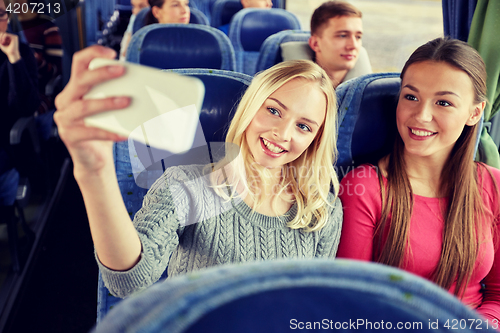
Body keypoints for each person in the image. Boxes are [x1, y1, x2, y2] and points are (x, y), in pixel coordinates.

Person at [53, 45, 343, 298]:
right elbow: (129, 281)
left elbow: (309, 304)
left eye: (303, 126)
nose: (282, 133)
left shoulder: (322, 211)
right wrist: (95, 172)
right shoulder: (185, 185)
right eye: (274, 111)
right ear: (250, 108)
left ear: (315, 140)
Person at [337, 37, 500, 321]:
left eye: (444, 103)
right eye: (411, 97)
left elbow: (497, 294)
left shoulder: (493, 185)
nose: (421, 116)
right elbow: (354, 305)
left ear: (474, 113)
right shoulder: (363, 189)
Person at [0, 0, 40, 172]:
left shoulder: (20, 52)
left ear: (7, 18)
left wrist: (14, 58)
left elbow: (26, 107)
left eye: (0, 14)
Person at [307, 0, 367, 88]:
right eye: (342, 36)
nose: (353, 46)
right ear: (315, 44)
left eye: (358, 37)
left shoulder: (371, 92)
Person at [17, 0, 63, 113]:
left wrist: (34, 59)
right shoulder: (6, 27)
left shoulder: (47, 26)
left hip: (37, 91)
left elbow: (56, 71)